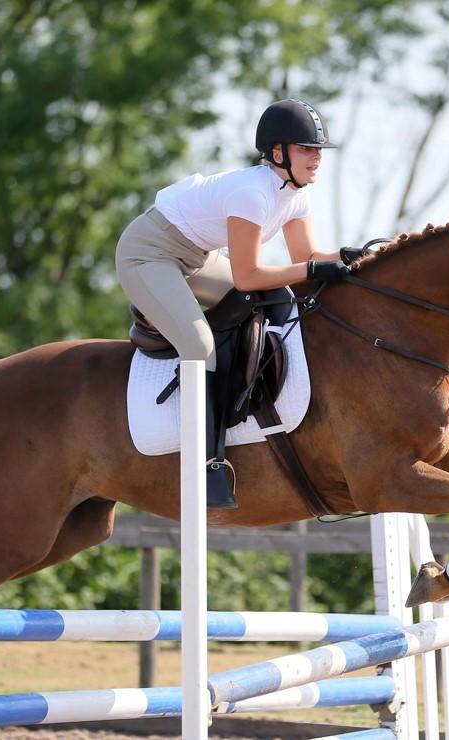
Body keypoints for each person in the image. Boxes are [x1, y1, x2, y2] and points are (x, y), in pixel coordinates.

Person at [116, 98, 363, 509]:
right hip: (148, 254)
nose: (316, 159)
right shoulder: (253, 194)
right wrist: (313, 270)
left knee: (279, 297)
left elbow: (308, 257)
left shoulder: (295, 194)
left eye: (318, 150)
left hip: (193, 257)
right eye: (307, 149)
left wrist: (355, 258)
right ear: (279, 152)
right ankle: (207, 463)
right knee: (199, 347)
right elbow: (249, 276)